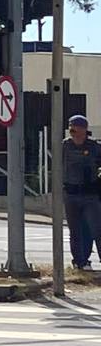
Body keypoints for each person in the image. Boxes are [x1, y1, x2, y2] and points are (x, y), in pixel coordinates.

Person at [62, 114, 101, 270]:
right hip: (71, 193)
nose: (72, 129)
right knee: (75, 231)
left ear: (84, 129)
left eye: (75, 126)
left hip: (90, 194)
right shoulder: (65, 146)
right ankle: (80, 261)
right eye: (70, 126)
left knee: (96, 229)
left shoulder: (94, 147)